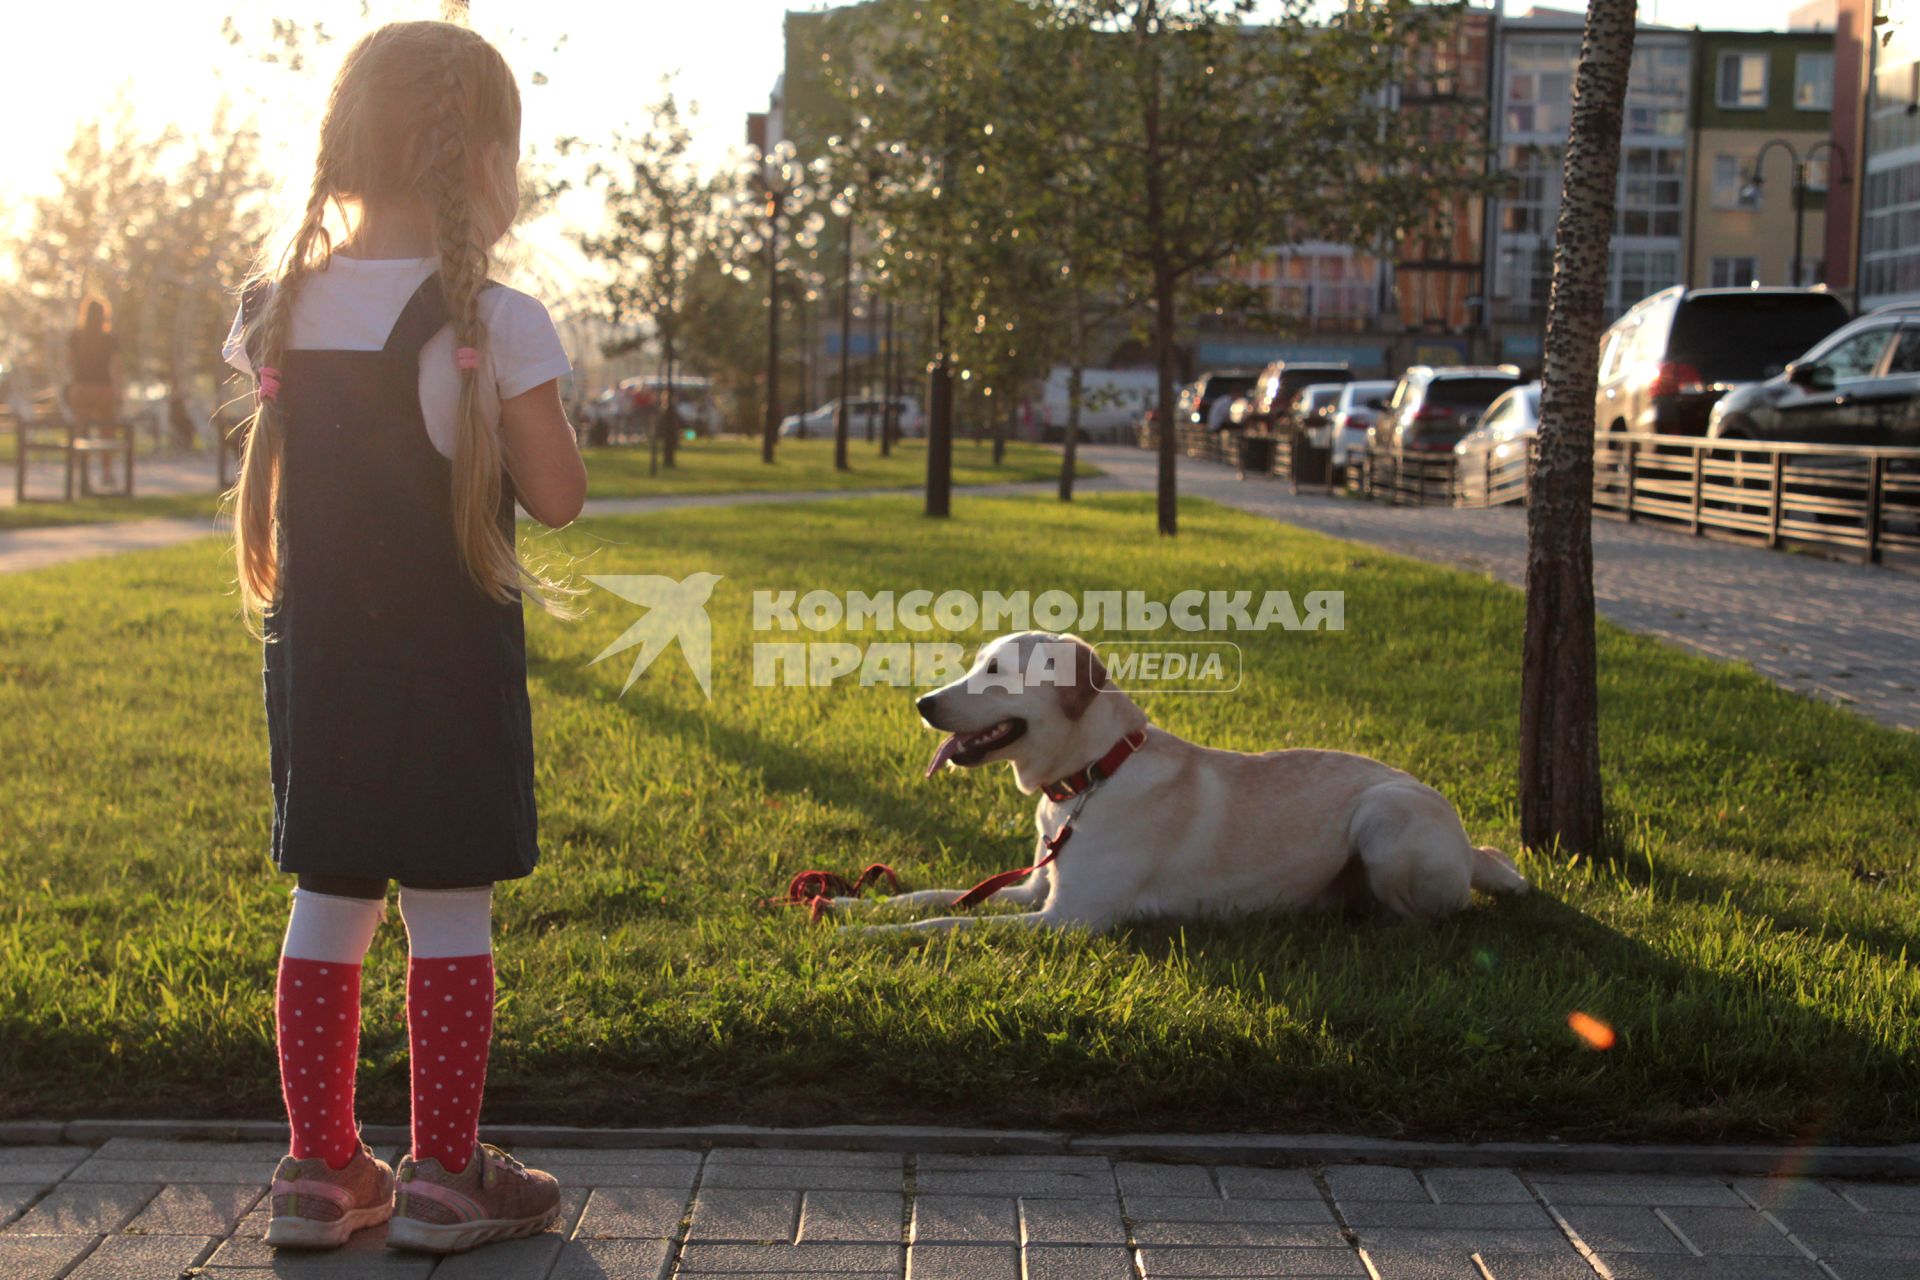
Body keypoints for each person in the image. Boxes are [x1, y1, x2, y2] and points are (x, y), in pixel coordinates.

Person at [222, 20, 586, 1256]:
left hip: (319, 664)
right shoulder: (497, 316)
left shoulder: (276, 309)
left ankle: (320, 1172)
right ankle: (442, 1175)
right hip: (448, 663)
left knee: (325, 903)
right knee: (448, 908)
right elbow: (559, 494)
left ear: (343, 142)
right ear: (486, 157)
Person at [66, 296, 123, 489]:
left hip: (81, 388)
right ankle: (106, 472)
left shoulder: (75, 336)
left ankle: (83, 475)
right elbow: (115, 367)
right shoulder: (109, 339)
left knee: (81, 431)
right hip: (103, 389)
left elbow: (69, 363)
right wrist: (118, 391)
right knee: (106, 432)